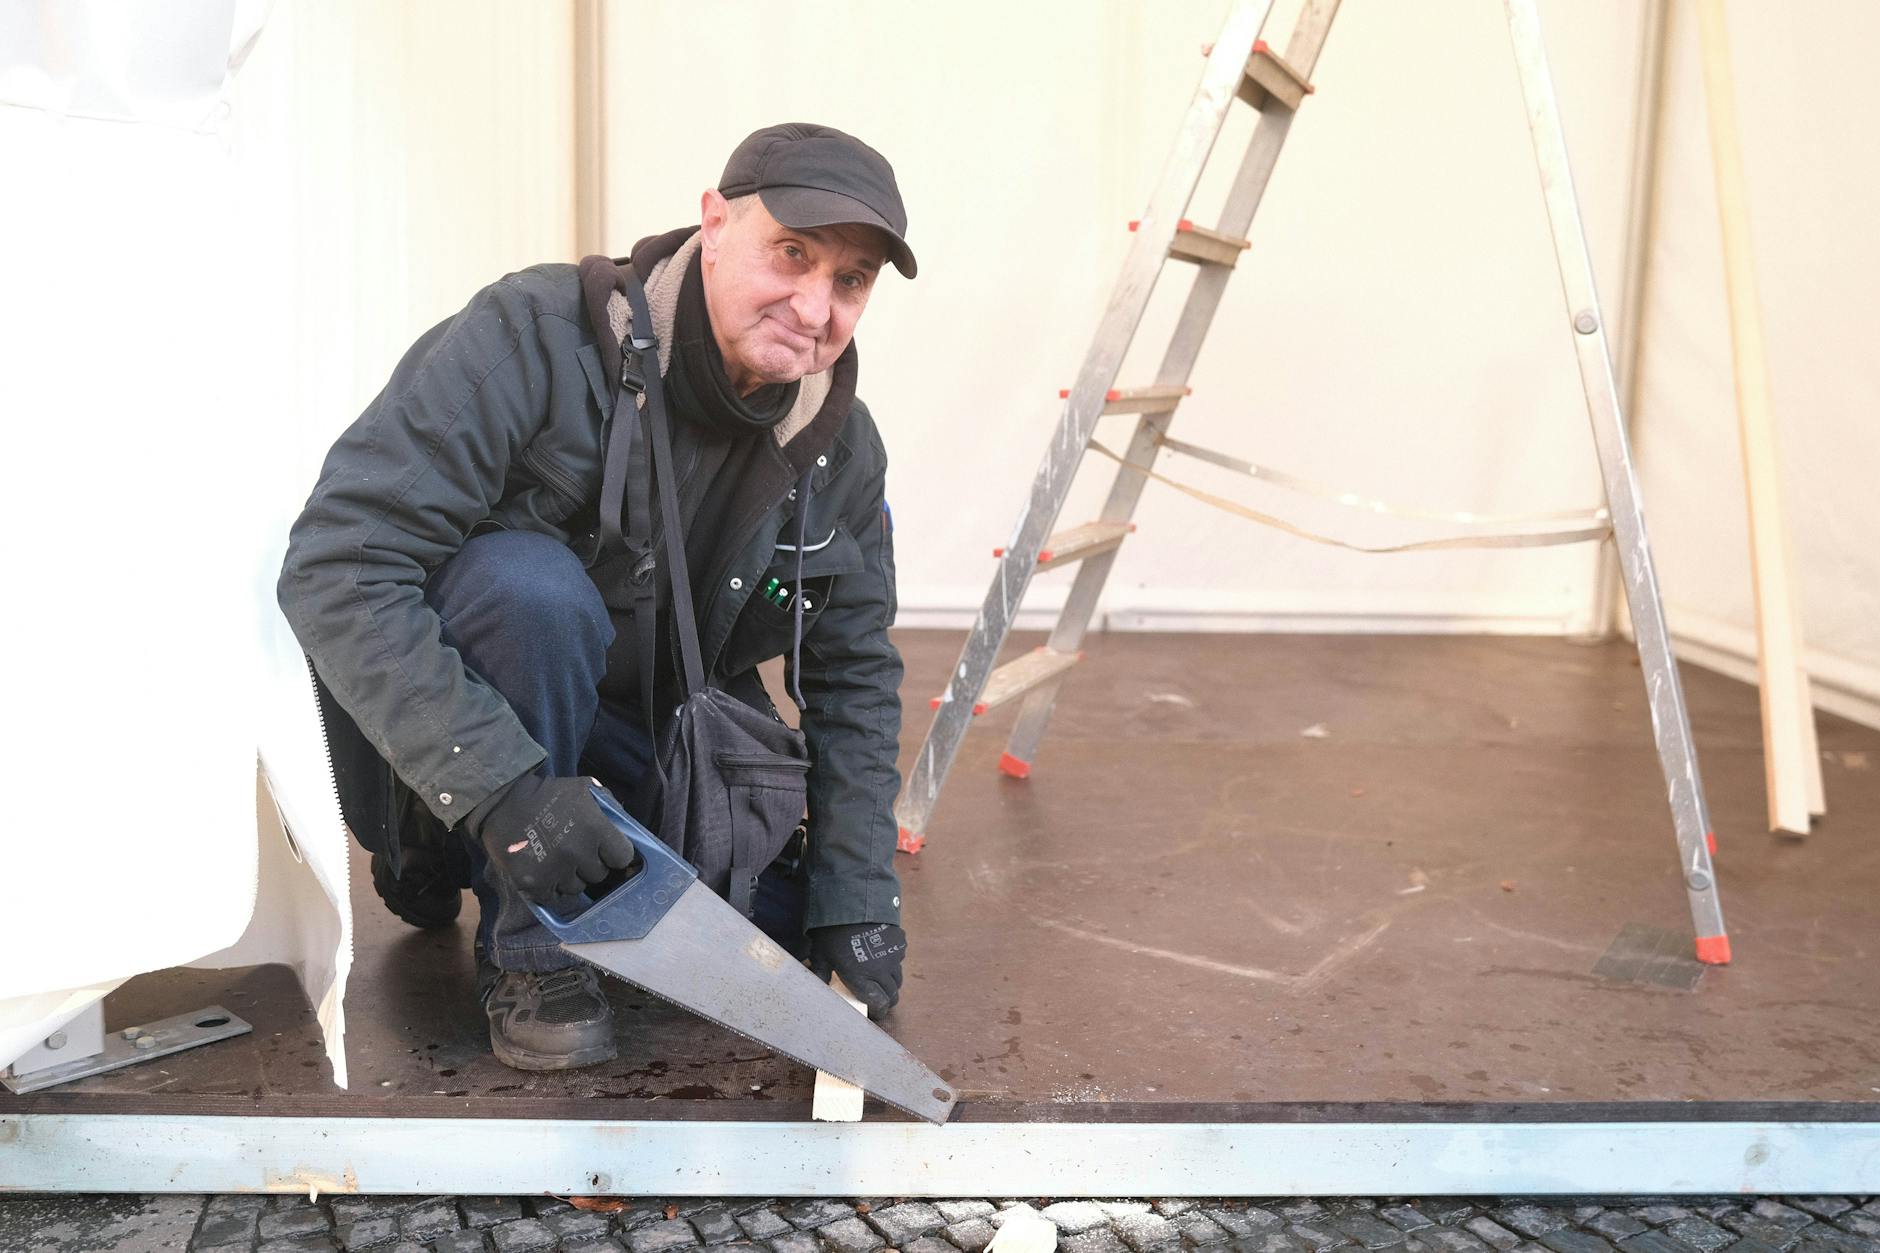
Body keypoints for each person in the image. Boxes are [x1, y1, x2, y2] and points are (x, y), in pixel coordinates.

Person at [278, 123, 915, 1071]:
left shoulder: (840, 444)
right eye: (793, 253)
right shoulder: (530, 337)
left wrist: (858, 889)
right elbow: (339, 558)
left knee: (775, 924)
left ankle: (567, 860)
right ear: (713, 221)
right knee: (531, 591)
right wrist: (502, 793)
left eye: (851, 280)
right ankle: (514, 928)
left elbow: (855, 672)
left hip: (644, 731)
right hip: (493, 717)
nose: (814, 304)